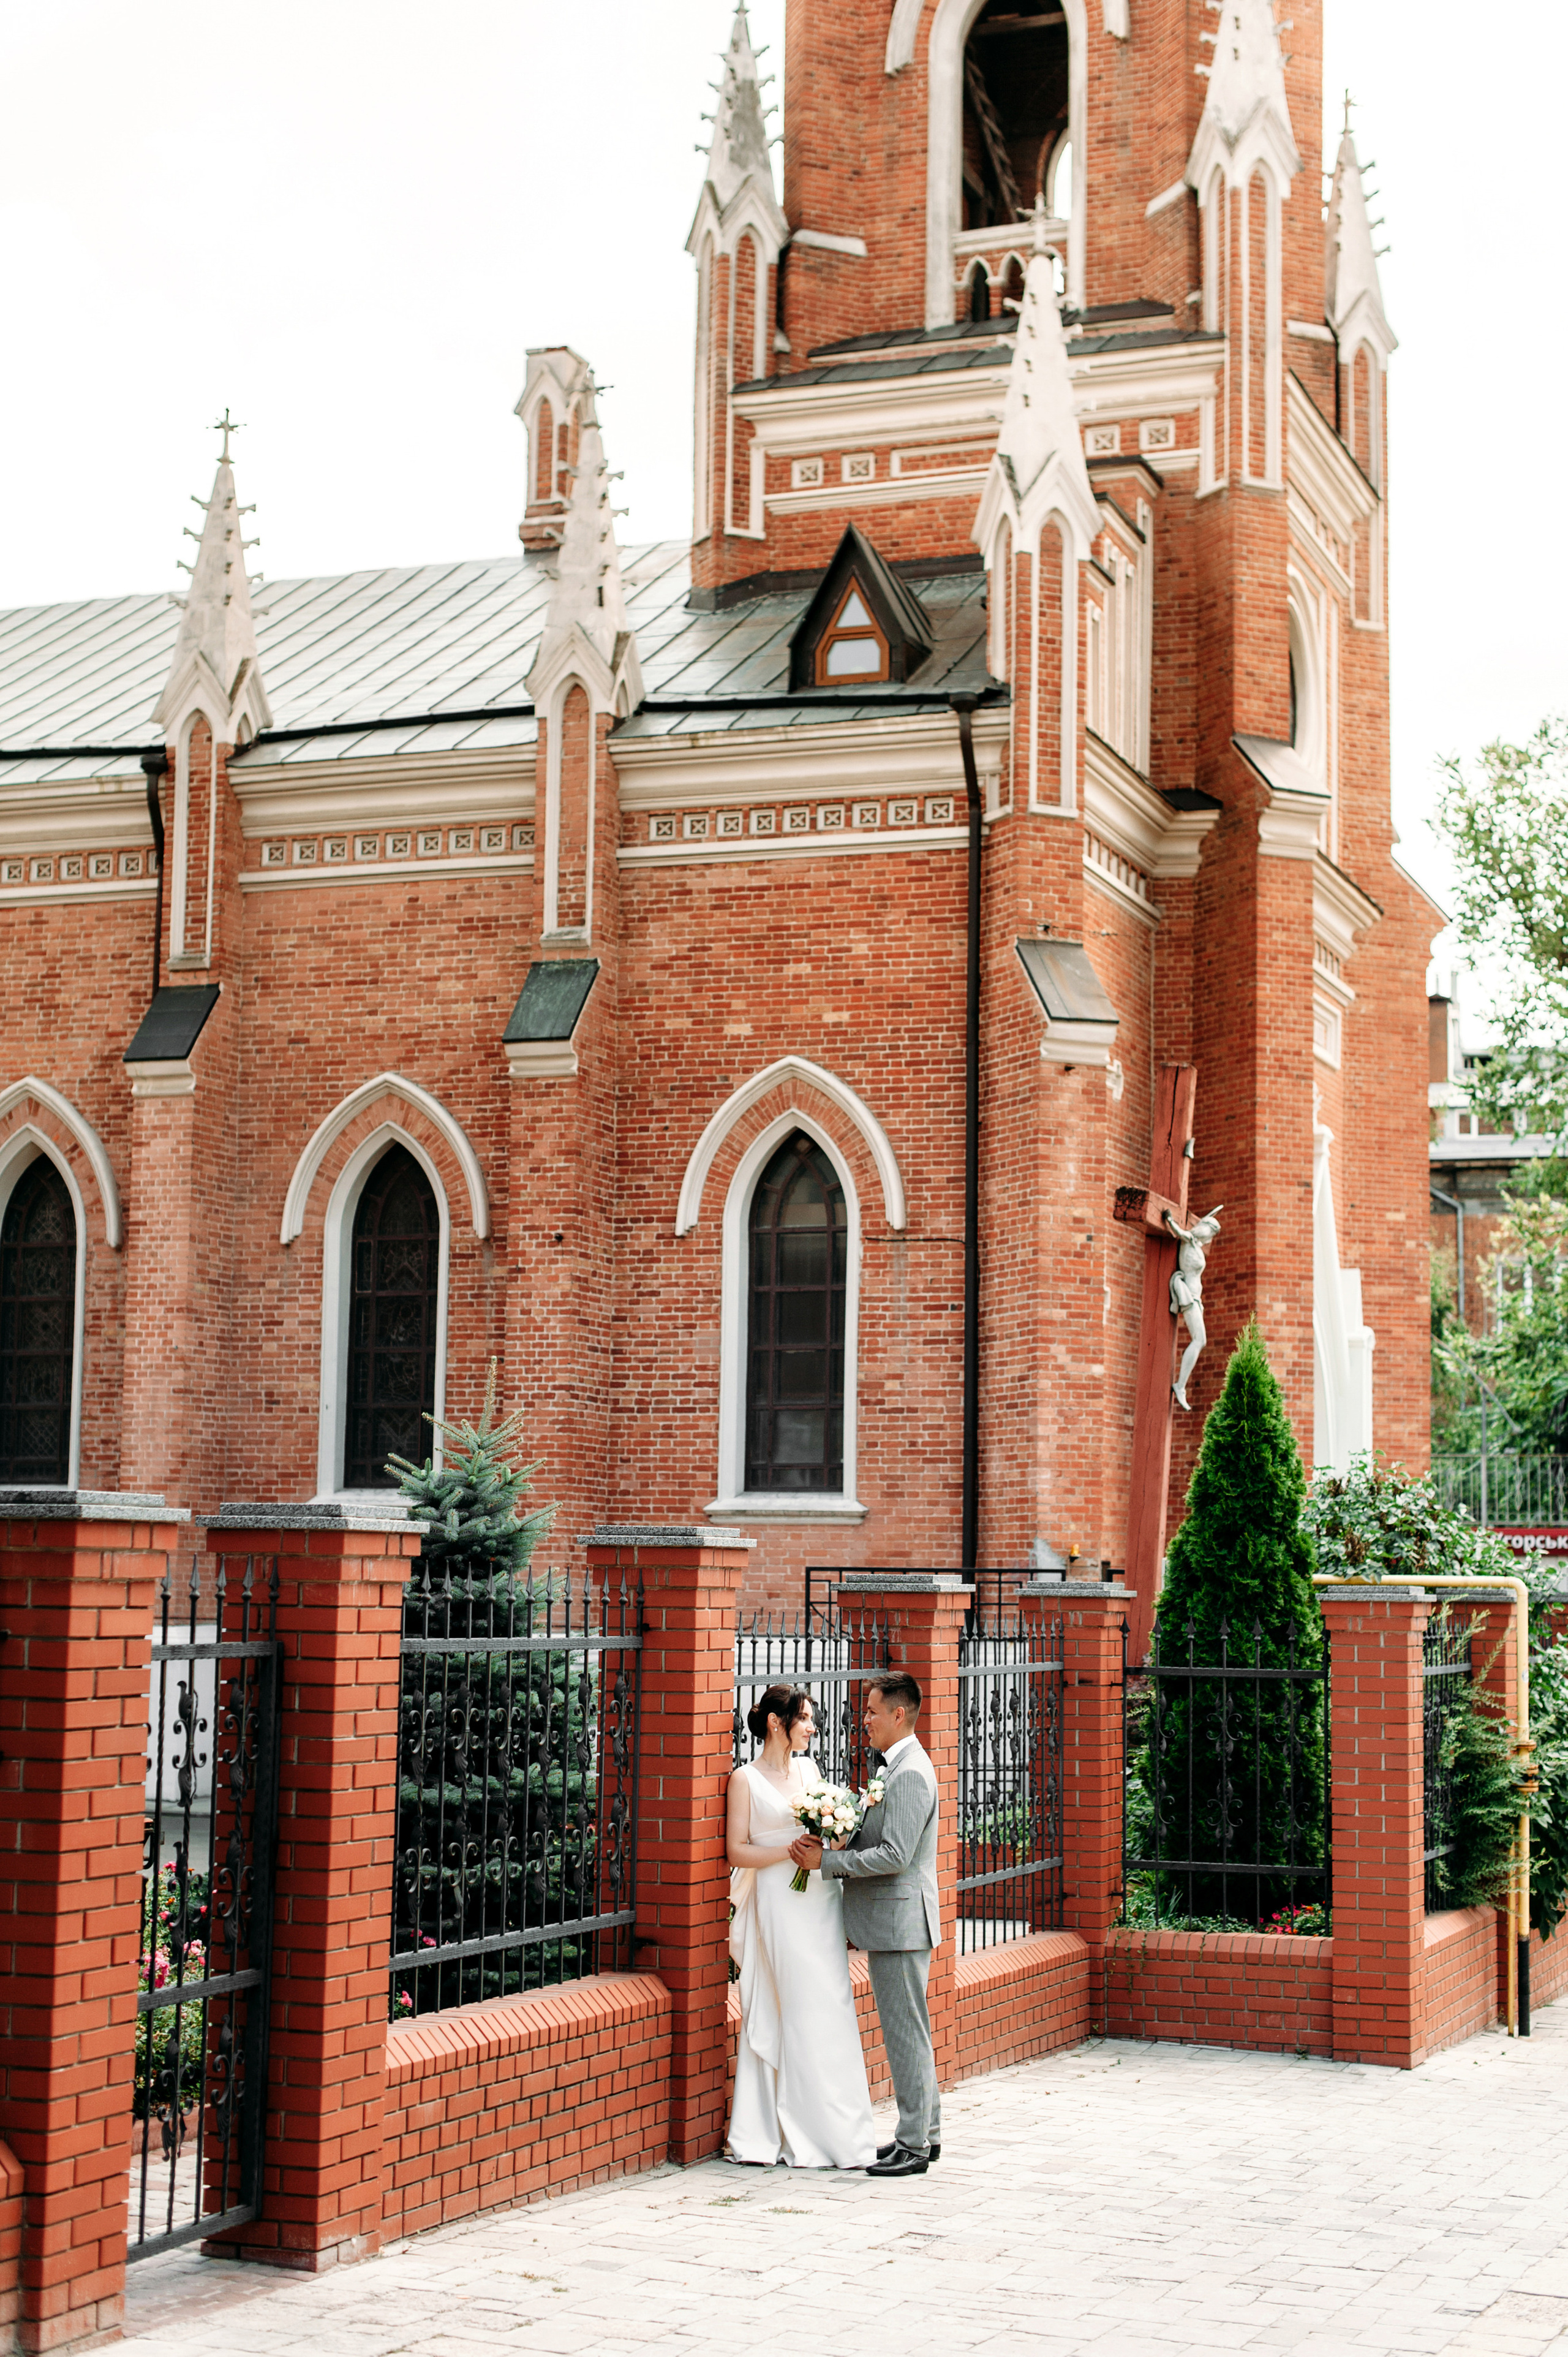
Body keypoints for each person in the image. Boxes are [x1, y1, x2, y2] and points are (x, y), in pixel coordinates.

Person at [789, 1671, 941, 2179]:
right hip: (894, 1923)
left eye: (873, 1711)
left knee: (905, 2034)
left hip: (900, 1924)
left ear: (899, 1714)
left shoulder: (912, 1772)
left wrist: (828, 1865)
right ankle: (926, 2135)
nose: (865, 1720)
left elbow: (896, 1854)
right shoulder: (894, 1768)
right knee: (910, 2030)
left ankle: (913, 2144)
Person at [724, 1682, 876, 2169]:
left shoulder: (810, 1769)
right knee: (787, 2001)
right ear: (776, 1722)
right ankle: (770, 2128)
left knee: (828, 2002)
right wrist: (787, 1854)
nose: (813, 1727)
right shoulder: (744, 1779)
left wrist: (827, 1842)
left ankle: (837, 2131)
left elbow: (825, 1832)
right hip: (777, 1898)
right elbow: (736, 1850)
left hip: (818, 1899)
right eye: (805, 1718)